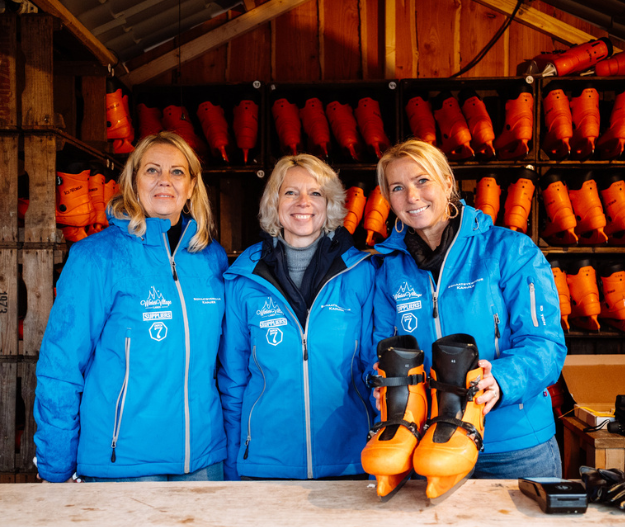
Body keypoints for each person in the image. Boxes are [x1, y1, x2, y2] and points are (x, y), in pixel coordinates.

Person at [34, 132, 228, 482]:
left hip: (204, 461)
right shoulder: (96, 257)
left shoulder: (210, 258)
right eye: (152, 170)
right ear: (133, 181)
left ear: (192, 185)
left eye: (177, 172)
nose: (164, 181)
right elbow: (60, 366)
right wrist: (55, 466)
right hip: (124, 464)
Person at [372, 139, 567, 479]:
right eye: (398, 188)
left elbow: (546, 344)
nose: (412, 197)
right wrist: (378, 378)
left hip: (514, 448)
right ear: (388, 199)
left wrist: (502, 380)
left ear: (447, 183)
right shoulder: (389, 269)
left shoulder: (510, 251)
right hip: (427, 446)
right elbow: (379, 349)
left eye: (422, 181)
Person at [218, 154, 375, 480]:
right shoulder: (243, 279)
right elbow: (233, 382)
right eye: (291, 192)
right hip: (265, 466)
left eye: (315, 193)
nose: (303, 202)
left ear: (329, 203)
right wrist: (233, 468)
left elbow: (375, 371)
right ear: (274, 202)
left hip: (348, 463)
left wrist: (379, 459)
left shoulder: (361, 273)